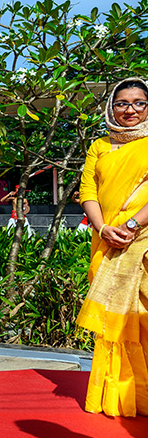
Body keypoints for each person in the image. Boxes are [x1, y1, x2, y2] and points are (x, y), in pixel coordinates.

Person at [76, 78, 148, 417]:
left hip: (143, 240)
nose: (130, 109)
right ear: (111, 107)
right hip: (106, 241)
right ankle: (116, 396)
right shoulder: (99, 146)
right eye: (122, 103)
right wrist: (104, 228)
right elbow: (87, 191)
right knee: (111, 321)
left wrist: (132, 225)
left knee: (142, 316)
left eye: (138, 103)